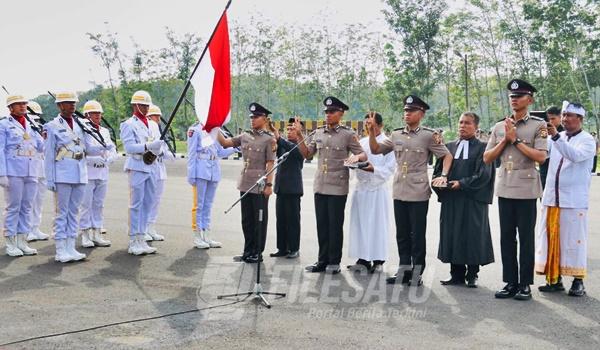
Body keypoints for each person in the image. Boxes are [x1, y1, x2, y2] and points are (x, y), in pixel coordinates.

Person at [369, 95, 452, 286]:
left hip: (418, 191)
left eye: (412, 111)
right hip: (399, 189)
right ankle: (403, 270)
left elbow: (446, 156)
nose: (407, 114)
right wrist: (372, 132)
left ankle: (417, 272)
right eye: (405, 110)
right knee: (402, 234)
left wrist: (444, 175)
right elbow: (375, 150)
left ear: (421, 114)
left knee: (417, 234)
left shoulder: (428, 136)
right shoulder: (396, 135)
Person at [483, 79, 548, 300]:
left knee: (526, 238)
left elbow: (541, 157)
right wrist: (504, 141)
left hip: (527, 190)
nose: (514, 100)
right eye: (512, 96)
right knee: (506, 237)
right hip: (506, 187)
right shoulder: (499, 127)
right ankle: (510, 282)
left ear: (529, 100)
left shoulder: (538, 125)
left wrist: (516, 140)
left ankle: (525, 284)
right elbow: (487, 157)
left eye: (519, 96)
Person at [294, 96, 366, 274]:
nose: (328, 115)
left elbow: (363, 155)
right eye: (326, 112)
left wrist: (355, 157)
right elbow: (307, 154)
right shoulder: (318, 133)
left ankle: (334, 262)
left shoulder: (348, 134)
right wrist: (299, 136)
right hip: (321, 185)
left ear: (341, 113)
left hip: (338, 186)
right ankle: (322, 261)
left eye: (332, 112)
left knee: (335, 225)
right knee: (322, 225)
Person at [535, 102, 596, 297]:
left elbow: (574, 156)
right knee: (551, 240)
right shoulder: (557, 137)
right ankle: (554, 279)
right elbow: (543, 157)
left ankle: (578, 280)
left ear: (580, 119)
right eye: (564, 115)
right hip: (552, 197)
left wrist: (554, 137)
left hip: (573, 200)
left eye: (570, 115)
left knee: (574, 241)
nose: (565, 118)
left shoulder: (587, 140)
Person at [434, 112, 495, 288]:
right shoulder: (449, 147)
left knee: (473, 235)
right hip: (452, 199)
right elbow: (439, 169)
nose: (462, 126)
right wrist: (439, 182)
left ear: (476, 127)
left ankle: (472, 274)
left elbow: (484, 175)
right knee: (452, 234)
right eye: (460, 122)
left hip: (473, 199)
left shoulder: (484, 148)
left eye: (467, 123)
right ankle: (456, 274)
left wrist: (461, 184)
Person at [45, 92, 107, 262]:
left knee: (73, 212)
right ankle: (60, 249)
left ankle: (70, 246)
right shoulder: (52, 126)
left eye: (73, 103)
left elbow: (87, 149)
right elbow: (49, 154)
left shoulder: (80, 125)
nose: (72, 106)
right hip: (62, 173)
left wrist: (103, 147)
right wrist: (50, 178)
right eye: (67, 103)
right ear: (59, 106)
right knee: (61, 213)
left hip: (80, 173)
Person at [216, 103, 276, 263]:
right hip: (245, 182)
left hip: (260, 185)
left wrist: (269, 185)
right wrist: (213, 128)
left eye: (256, 117)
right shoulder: (245, 136)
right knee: (247, 220)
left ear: (264, 119)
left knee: (259, 221)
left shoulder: (269, 139)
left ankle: (257, 252)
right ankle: (247, 250)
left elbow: (270, 163)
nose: (252, 120)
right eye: (251, 117)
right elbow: (225, 143)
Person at [347, 112, 395, 273]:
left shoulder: (387, 143)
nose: (369, 127)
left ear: (380, 125)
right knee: (360, 225)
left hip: (376, 189)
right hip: (361, 189)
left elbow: (389, 169)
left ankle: (378, 259)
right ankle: (363, 259)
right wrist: (351, 163)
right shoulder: (362, 142)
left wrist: (372, 169)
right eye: (367, 124)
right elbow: (355, 159)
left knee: (376, 225)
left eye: (372, 125)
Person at [119, 90, 164, 255]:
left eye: (147, 106)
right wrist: (148, 147)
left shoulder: (153, 124)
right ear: (135, 105)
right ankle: (133, 240)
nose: (145, 109)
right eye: (142, 105)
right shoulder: (128, 124)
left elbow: (159, 145)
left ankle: (142, 237)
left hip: (151, 166)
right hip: (137, 166)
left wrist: (158, 148)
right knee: (136, 204)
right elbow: (129, 148)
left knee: (148, 203)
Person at [0, 95, 44, 257]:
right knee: (13, 207)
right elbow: (0, 149)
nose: (23, 106)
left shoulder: (31, 124)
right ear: (10, 108)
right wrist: (2, 173)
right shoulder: (4, 125)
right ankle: (11, 242)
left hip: (31, 170)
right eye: (18, 104)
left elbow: (41, 146)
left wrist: (43, 134)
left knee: (26, 207)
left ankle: (22, 241)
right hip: (13, 171)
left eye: (24, 103)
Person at [187, 121, 237, 249]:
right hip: (200, 170)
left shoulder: (216, 130)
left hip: (213, 170)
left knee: (208, 205)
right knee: (199, 205)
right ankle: (197, 236)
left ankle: (207, 235)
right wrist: (191, 174)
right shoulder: (195, 130)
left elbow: (220, 152)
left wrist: (235, 148)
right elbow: (192, 153)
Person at [78, 100, 117, 248]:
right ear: (87, 115)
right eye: (94, 113)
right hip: (89, 171)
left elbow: (111, 148)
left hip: (102, 171)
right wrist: (100, 150)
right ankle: (86, 234)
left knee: (99, 204)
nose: (98, 116)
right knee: (86, 204)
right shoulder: (82, 131)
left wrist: (111, 157)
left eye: (99, 113)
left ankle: (97, 232)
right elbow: (85, 149)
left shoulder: (104, 131)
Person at [270, 118, 305, 259]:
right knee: (281, 220)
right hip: (281, 188)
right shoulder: (283, 144)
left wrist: (278, 138)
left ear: (299, 131)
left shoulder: (301, 145)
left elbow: (297, 152)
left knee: (293, 221)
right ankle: (282, 248)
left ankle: (294, 248)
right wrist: (276, 140)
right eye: (288, 129)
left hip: (293, 189)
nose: (289, 131)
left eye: (293, 129)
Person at [145, 104, 175, 242]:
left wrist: (169, 154)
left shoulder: (158, 129)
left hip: (160, 169)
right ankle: (144, 228)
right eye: (155, 116)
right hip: (151, 167)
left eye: (158, 116)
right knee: (149, 200)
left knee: (156, 201)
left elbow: (163, 148)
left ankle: (151, 227)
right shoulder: (149, 128)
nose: (157, 119)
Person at [26, 101, 50, 241]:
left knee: (39, 201)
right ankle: (27, 229)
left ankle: (35, 227)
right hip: (31, 168)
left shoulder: (42, 128)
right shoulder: (27, 129)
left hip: (43, 168)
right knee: (29, 201)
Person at [539, 106, 564, 189]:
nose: (550, 121)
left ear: (560, 117)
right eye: (548, 119)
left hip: (559, 168)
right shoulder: (543, 131)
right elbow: (541, 144)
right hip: (545, 168)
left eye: (553, 119)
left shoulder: (565, 133)